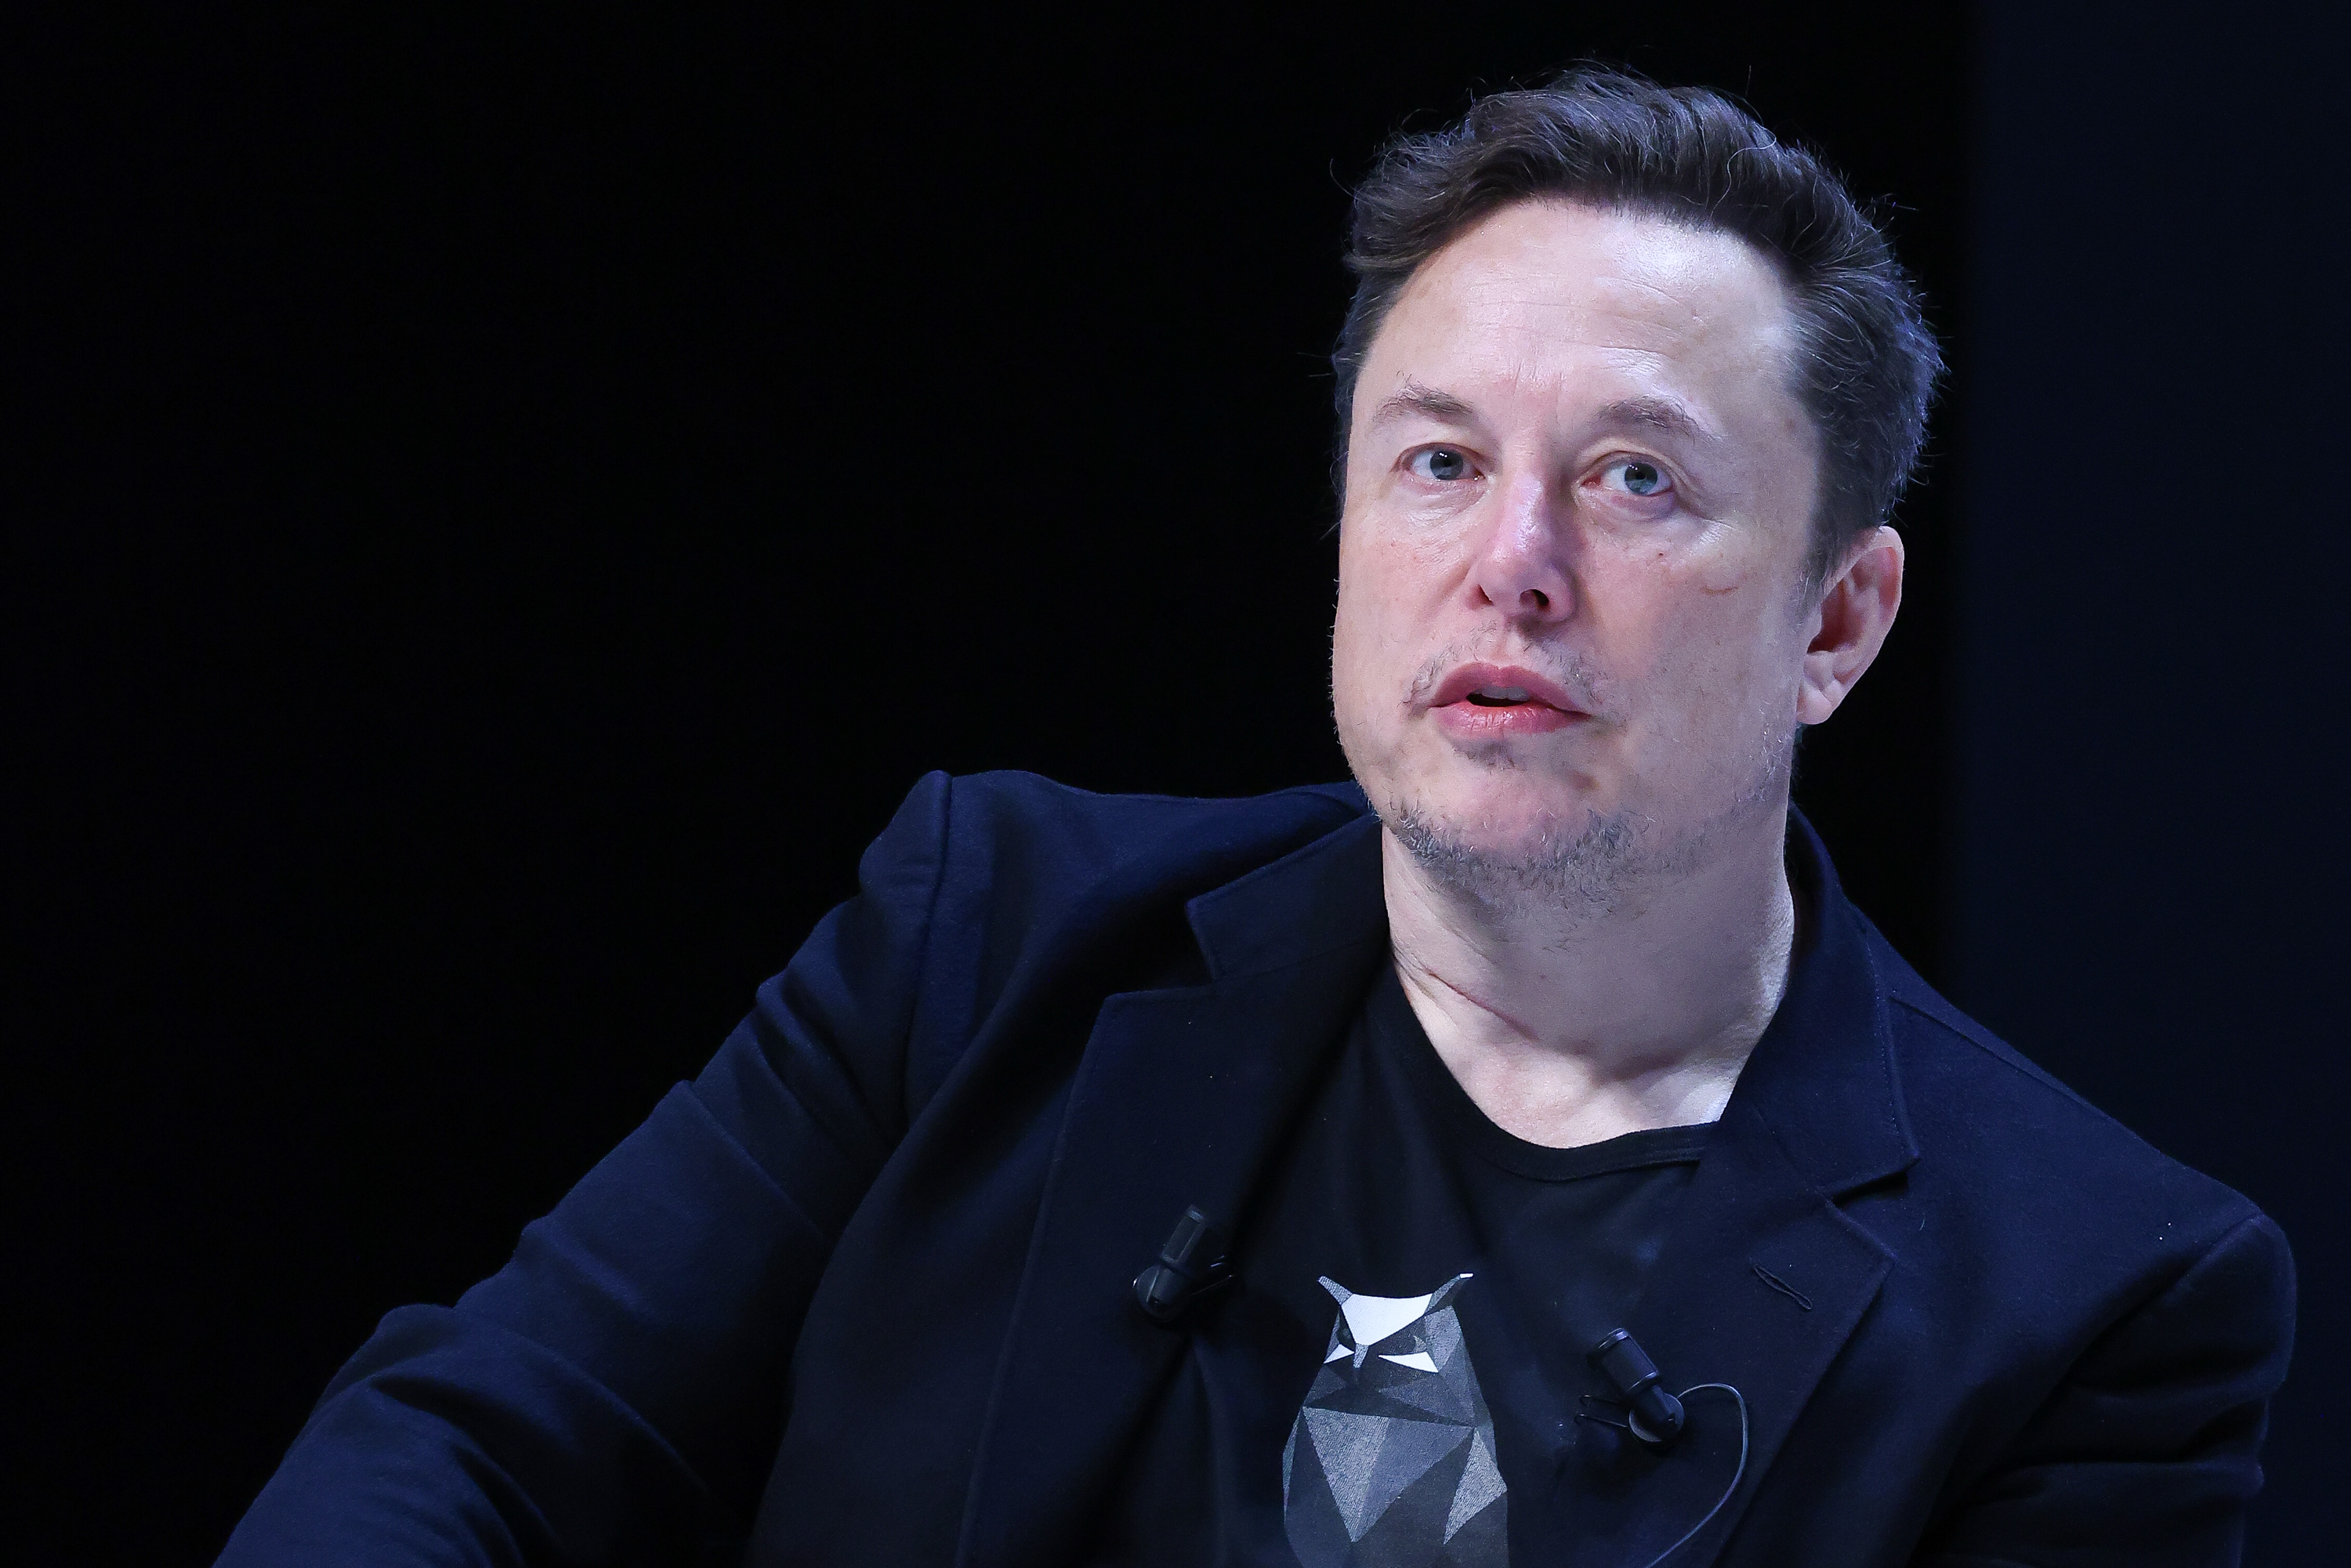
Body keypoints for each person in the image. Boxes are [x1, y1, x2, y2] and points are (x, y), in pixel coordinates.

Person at [219, 71, 2295, 1567]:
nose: (1517, 562)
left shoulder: (2100, 1296)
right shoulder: (985, 933)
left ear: (1839, 617)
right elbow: (479, 1437)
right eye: (1438, 460)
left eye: (1638, 477)